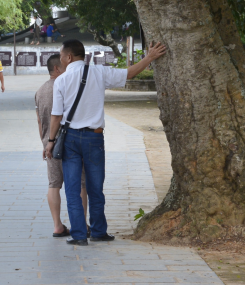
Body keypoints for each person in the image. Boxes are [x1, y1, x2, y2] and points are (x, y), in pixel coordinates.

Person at [44, 38, 167, 245]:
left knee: (73, 188)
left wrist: (50, 142)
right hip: (94, 137)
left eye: (62, 55)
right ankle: (99, 231)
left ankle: (79, 235)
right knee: (95, 186)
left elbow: (56, 116)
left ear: (68, 57)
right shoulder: (99, 72)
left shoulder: (61, 81)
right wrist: (150, 57)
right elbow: (129, 73)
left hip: (70, 139)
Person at [36, 54, 87, 237]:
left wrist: (45, 142)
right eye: (65, 66)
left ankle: (57, 225)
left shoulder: (40, 91)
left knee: (54, 184)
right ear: (57, 69)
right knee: (81, 183)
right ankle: (82, 224)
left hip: (50, 143)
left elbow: (40, 121)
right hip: (70, 140)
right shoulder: (65, 85)